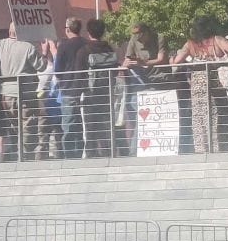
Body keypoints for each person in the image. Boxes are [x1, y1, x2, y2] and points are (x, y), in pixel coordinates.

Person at [172, 16, 228, 154]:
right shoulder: (216, 40)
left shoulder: (190, 44)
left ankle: (202, 148)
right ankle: (217, 146)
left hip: (198, 82)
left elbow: (177, 61)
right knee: (217, 114)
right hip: (214, 80)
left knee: (199, 116)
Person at [0, 22, 46, 161]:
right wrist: (44, 52)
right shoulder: (28, 47)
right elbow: (41, 66)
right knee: (27, 125)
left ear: (9, 32)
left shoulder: (0, 45)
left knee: (13, 125)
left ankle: (16, 154)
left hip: (6, 94)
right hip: (25, 93)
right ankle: (24, 155)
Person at [121, 23, 168, 154]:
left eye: (141, 37)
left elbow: (161, 58)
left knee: (153, 117)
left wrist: (143, 63)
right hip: (141, 83)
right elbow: (127, 59)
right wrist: (127, 64)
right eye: (136, 37)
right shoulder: (133, 40)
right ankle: (134, 150)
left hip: (158, 79)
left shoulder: (159, 38)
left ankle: (153, 148)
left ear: (147, 33)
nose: (139, 40)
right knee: (141, 117)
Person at [72, 19, 116, 158]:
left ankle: (91, 156)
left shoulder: (84, 51)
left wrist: (76, 96)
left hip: (89, 96)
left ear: (88, 32)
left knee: (89, 129)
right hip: (106, 94)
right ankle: (108, 155)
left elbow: (79, 76)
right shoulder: (109, 50)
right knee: (106, 128)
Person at [54, 18, 87, 158]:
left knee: (68, 126)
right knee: (82, 126)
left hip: (68, 90)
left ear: (67, 29)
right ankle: (79, 154)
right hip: (85, 90)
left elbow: (57, 70)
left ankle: (69, 157)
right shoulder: (87, 44)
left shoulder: (63, 46)